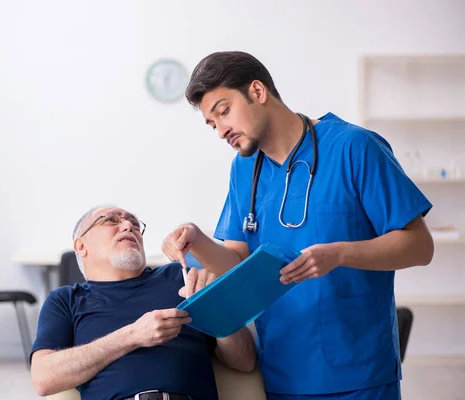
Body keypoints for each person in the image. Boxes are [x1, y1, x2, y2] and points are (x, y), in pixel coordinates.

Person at [161, 51, 435, 399]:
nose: (221, 131)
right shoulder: (245, 169)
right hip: (283, 373)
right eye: (212, 124)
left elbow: (420, 246)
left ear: (258, 92)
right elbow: (238, 265)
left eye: (224, 111)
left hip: (360, 371)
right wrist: (196, 239)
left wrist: (340, 254)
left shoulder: (354, 147)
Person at [30, 205, 257, 400]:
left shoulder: (183, 277)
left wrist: (219, 311)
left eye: (135, 224)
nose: (129, 226)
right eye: (111, 220)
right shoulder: (66, 300)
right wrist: (132, 336)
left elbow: (245, 362)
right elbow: (43, 378)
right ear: (81, 245)